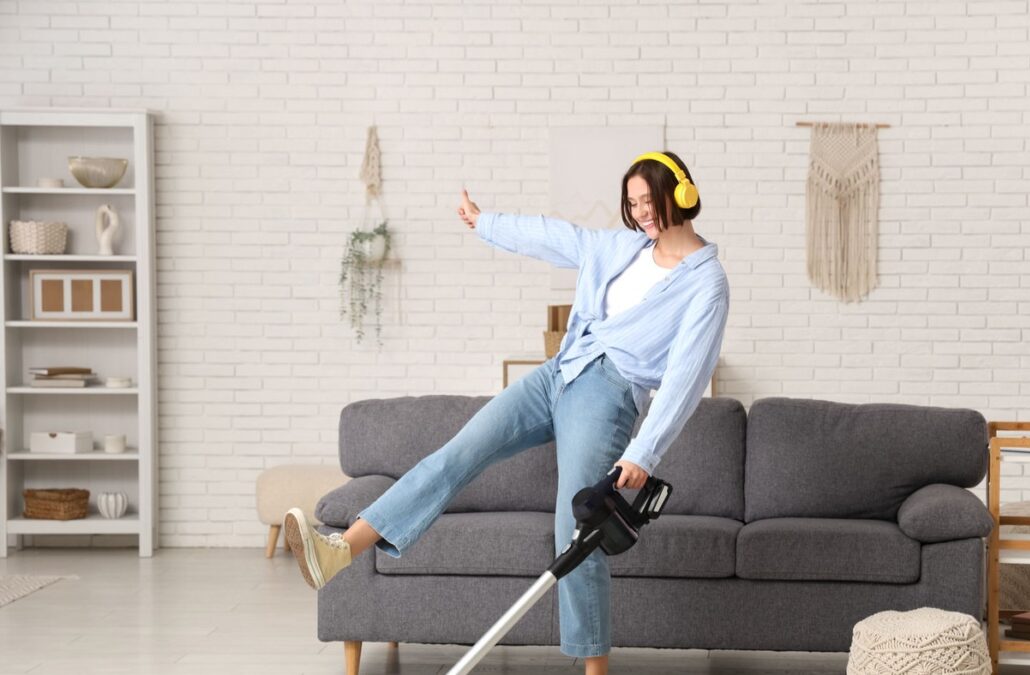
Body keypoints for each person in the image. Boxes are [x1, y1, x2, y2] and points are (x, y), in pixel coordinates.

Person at [284, 150, 729, 675]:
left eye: (647, 200)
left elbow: (685, 379)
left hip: (609, 395)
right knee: (456, 455)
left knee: (576, 531)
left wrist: (644, 452)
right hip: (559, 371)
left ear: (680, 194)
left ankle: (594, 671)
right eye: (632, 204)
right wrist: (485, 223)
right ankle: (338, 551)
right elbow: (555, 236)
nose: (640, 213)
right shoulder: (623, 247)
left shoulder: (706, 283)